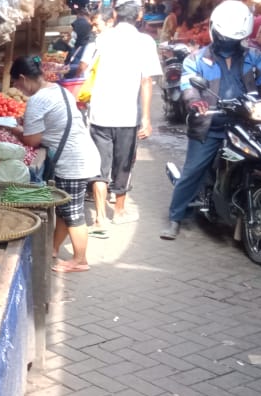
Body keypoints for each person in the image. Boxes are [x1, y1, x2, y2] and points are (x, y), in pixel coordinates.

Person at [161, 0, 261, 240]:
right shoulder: (197, 58)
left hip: (245, 122)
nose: (229, 43)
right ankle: (175, 217)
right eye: (226, 38)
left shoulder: (253, 56)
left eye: (234, 39)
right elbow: (187, 85)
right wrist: (195, 101)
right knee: (194, 170)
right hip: (209, 124)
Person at [9, 56, 102, 273]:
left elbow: (32, 140)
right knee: (63, 209)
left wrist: (15, 131)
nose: (18, 89)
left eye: (16, 84)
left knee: (72, 213)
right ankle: (53, 248)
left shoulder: (37, 99)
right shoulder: (58, 89)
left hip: (73, 161)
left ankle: (80, 260)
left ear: (23, 78)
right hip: (81, 153)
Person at [86, 0, 161, 229]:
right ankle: (118, 212)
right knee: (123, 165)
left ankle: (99, 217)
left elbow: (90, 71)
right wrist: (147, 118)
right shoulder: (144, 41)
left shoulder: (103, 38)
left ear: (116, 14)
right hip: (127, 116)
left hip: (99, 113)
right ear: (139, 15)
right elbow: (147, 81)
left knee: (100, 167)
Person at [67, 8, 97, 78]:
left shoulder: (77, 22)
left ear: (79, 15)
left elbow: (73, 38)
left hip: (78, 50)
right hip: (82, 48)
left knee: (73, 68)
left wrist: (70, 47)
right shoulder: (88, 24)